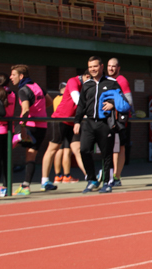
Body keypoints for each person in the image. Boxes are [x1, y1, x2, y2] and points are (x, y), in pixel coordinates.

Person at [74, 56, 129, 194]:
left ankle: (107, 182)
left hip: (105, 124)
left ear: (101, 67)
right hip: (89, 123)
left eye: (95, 66)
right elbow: (81, 106)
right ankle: (92, 179)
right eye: (90, 67)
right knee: (84, 150)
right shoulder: (86, 85)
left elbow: (122, 101)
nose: (93, 69)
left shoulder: (112, 83)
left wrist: (113, 104)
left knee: (107, 154)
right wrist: (77, 121)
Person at [9, 64, 54, 194]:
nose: (11, 77)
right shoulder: (37, 86)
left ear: (21, 76)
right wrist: (39, 110)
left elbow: (26, 109)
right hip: (42, 127)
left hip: (29, 126)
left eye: (13, 75)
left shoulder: (23, 90)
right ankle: (26, 186)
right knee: (31, 156)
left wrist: (23, 127)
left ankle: (0, 184)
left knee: (4, 149)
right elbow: (49, 101)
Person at [41, 76, 87, 187]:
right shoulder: (73, 81)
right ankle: (45, 180)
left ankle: (89, 176)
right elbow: (77, 99)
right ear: (87, 76)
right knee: (54, 149)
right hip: (60, 121)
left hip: (73, 122)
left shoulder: (88, 86)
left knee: (78, 149)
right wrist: (87, 113)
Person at [107, 58, 134, 186]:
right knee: (110, 148)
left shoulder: (122, 81)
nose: (111, 68)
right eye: (109, 66)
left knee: (119, 148)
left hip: (120, 121)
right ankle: (109, 175)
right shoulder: (106, 81)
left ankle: (116, 176)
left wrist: (114, 105)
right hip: (107, 120)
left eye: (114, 66)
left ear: (119, 68)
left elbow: (129, 102)